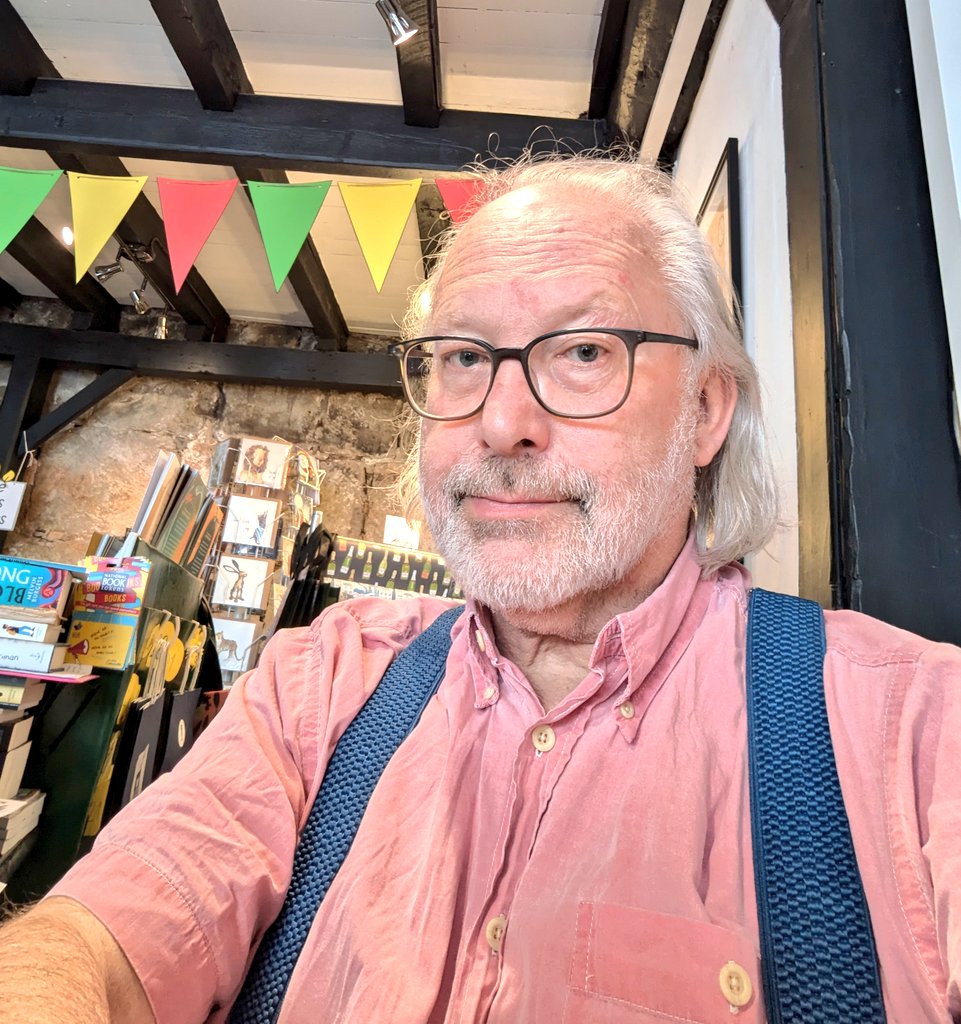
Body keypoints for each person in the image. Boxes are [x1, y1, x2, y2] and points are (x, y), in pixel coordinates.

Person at [1, 153, 958, 1024]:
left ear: (705, 411)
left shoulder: (911, 732)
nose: (501, 422)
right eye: (463, 357)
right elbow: (106, 936)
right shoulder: (327, 683)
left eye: (583, 351)